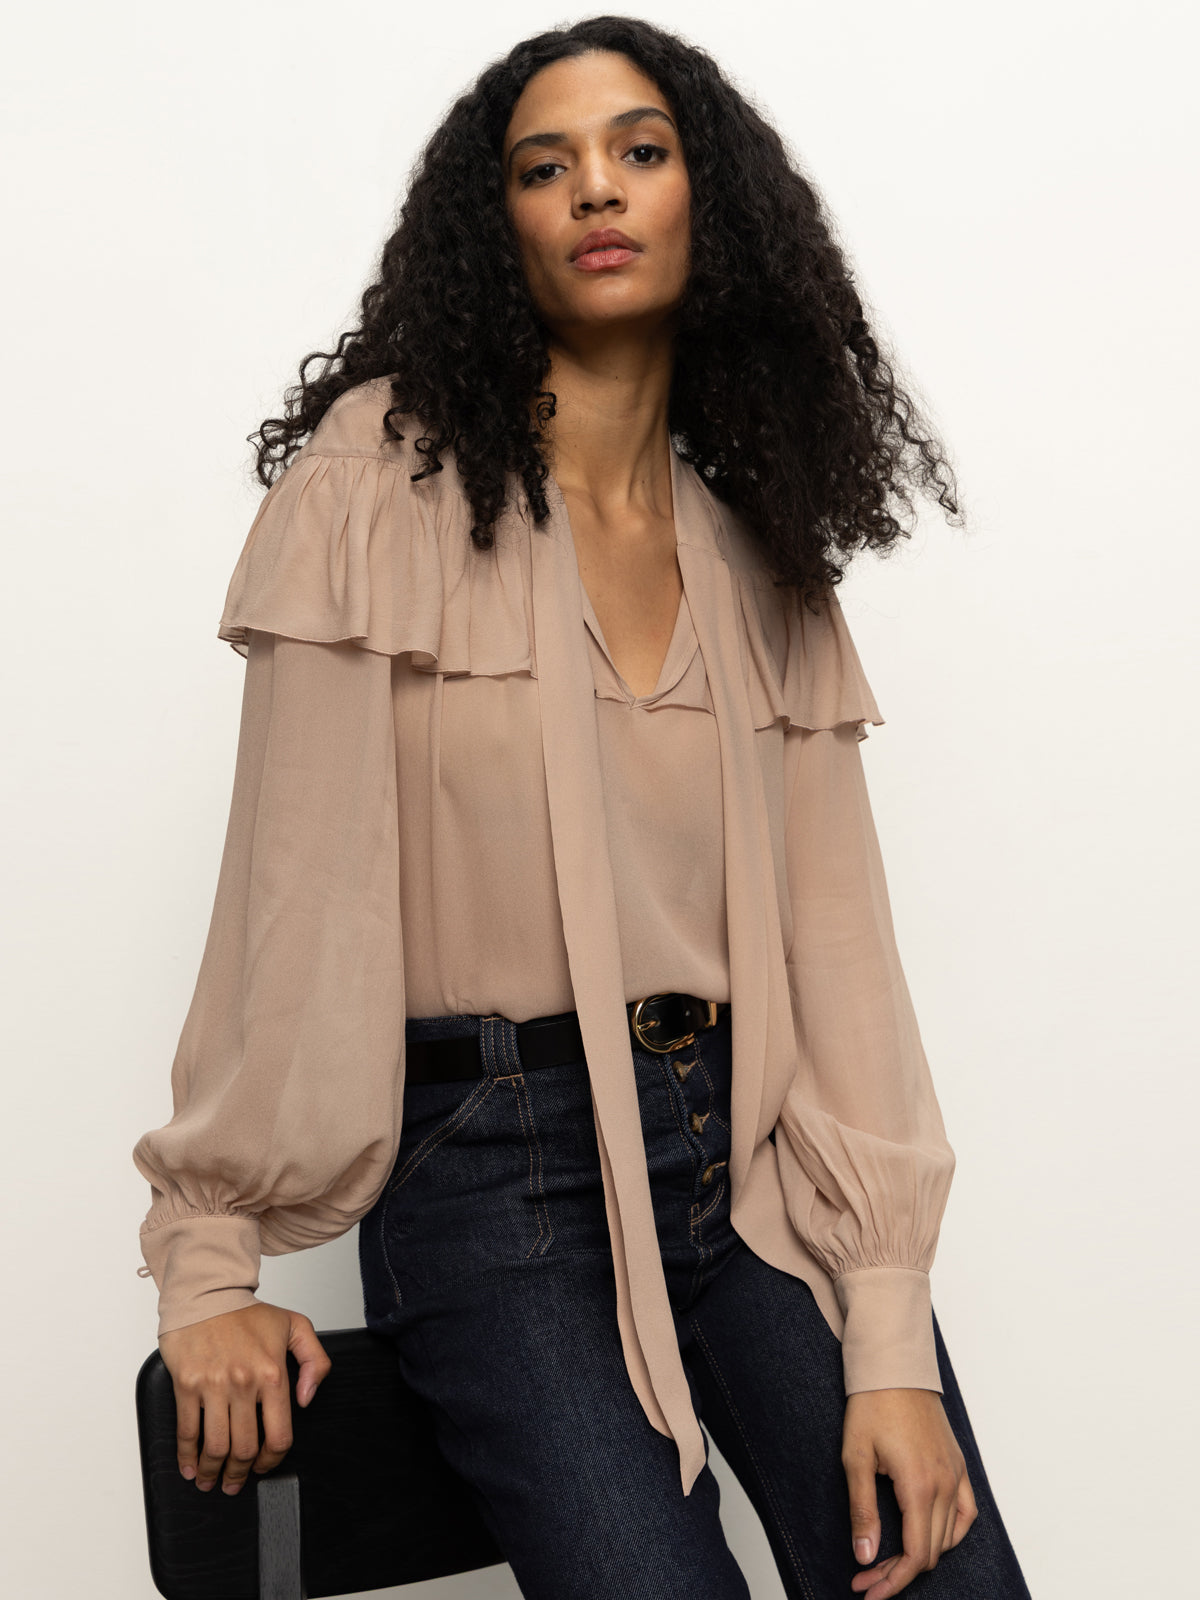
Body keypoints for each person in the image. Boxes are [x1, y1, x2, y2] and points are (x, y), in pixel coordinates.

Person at [132, 16, 1032, 1599]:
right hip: (495, 1180)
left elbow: (840, 958)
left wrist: (889, 1333)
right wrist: (210, 1260)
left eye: (639, 151)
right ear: (499, 229)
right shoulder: (378, 483)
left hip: (755, 1162)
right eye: (544, 168)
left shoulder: (761, 549)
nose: (596, 190)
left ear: (710, 203)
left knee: (942, 1579)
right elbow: (298, 894)